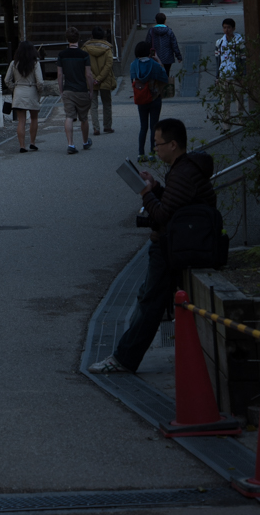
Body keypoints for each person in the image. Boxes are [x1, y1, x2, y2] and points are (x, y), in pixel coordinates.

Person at [90, 118, 216, 374]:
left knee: (150, 303)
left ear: (172, 144)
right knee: (148, 299)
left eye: (158, 144)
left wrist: (146, 193)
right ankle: (125, 356)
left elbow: (162, 216)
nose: (155, 148)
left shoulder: (183, 173)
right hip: (177, 245)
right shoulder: (185, 170)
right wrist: (156, 188)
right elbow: (174, 204)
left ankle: (124, 358)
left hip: (170, 248)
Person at [57, 28, 95, 153]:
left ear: (67, 39)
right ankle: (85, 141)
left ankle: (71, 144)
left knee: (69, 116)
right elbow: (89, 74)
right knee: (84, 117)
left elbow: (60, 74)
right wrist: (91, 90)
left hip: (68, 89)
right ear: (78, 39)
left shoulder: (62, 55)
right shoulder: (84, 55)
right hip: (82, 89)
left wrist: (61, 90)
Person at [129, 39, 169, 159]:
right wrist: (159, 61)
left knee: (143, 126)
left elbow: (133, 80)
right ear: (149, 53)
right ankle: (152, 153)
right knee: (154, 126)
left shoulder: (133, 65)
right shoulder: (154, 65)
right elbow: (164, 78)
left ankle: (141, 153)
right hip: (155, 98)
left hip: (141, 98)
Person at [4, 41, 45, 151]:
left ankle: (22, 145)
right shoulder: (35, 63)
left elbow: (7, 80)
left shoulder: (14, 63)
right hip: (32, 91)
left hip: (19, 92)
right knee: (34, 118)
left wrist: (15, 88)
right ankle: (32, 142)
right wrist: (39, 92)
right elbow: (40, 82)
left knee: (21, 121)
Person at [83, 27, 117, 135]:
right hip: (105, 79)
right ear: (103, 36)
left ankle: (96, 128)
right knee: (107, 103)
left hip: (90, 80)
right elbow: (109, 65)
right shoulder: (107, 48)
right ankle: (107, 126)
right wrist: (100, 78)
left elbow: (84, 65)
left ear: (92, 36)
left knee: (93, 105)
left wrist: (93, 78)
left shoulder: (85, 48)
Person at [214, 17, 246, 118]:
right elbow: (218, 60)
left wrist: (243, 75)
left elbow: (243, 60)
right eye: (224, 28)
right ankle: (226, 125)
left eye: (228, 27)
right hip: (224, 76)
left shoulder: (239, 42)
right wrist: (217, 76)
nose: (226, 30)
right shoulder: (219, 43)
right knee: (224, 103)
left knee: (239, 102)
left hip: (236, 76)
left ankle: (241, 121)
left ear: (233, 28)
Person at [147, 13, 182, 78]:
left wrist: (147, 55)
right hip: (167, 56)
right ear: (165, 21)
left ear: (156, 21)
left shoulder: (151, 31)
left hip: (154, 56)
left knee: (155, 73)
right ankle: (165, 85)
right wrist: (178, 56)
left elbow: (148, 44)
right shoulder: (169, 31)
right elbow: (174, 44)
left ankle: (157, 86)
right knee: (166, 72)